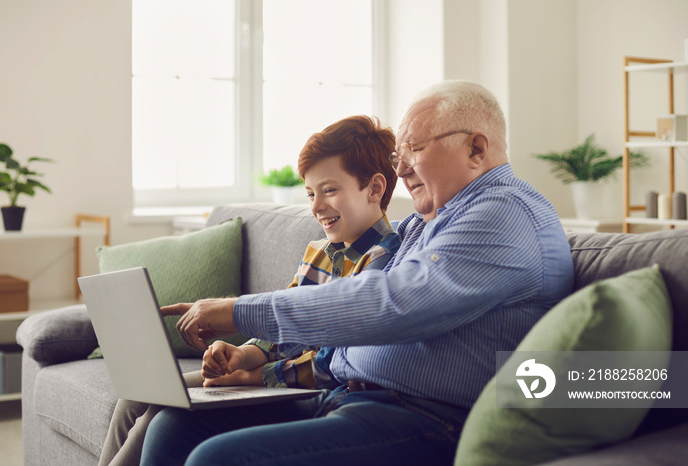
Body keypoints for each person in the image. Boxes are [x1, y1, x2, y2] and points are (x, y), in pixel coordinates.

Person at [142, 80, 575, 466]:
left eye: (415, 150)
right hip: (350, 398)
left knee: (219, 459)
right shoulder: (428, 224)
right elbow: (347, 299)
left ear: (476, 150)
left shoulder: (503, 213)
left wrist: (238, 311)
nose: (401, 168)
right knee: (175, 426)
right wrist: (256, 352)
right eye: (397, 155)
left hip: (426, 419)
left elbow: (390, 302)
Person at [97, 114, 400, 465]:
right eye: (311, 193)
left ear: (375, 188)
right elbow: (282, 333)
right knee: (135, 398)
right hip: (275, 378)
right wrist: (241, 353)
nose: (316, 206)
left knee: (160, 419)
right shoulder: (318, 252)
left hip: (310, 392)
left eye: (329, 190)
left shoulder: (384, 261)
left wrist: (253, 376)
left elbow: (334, 362)